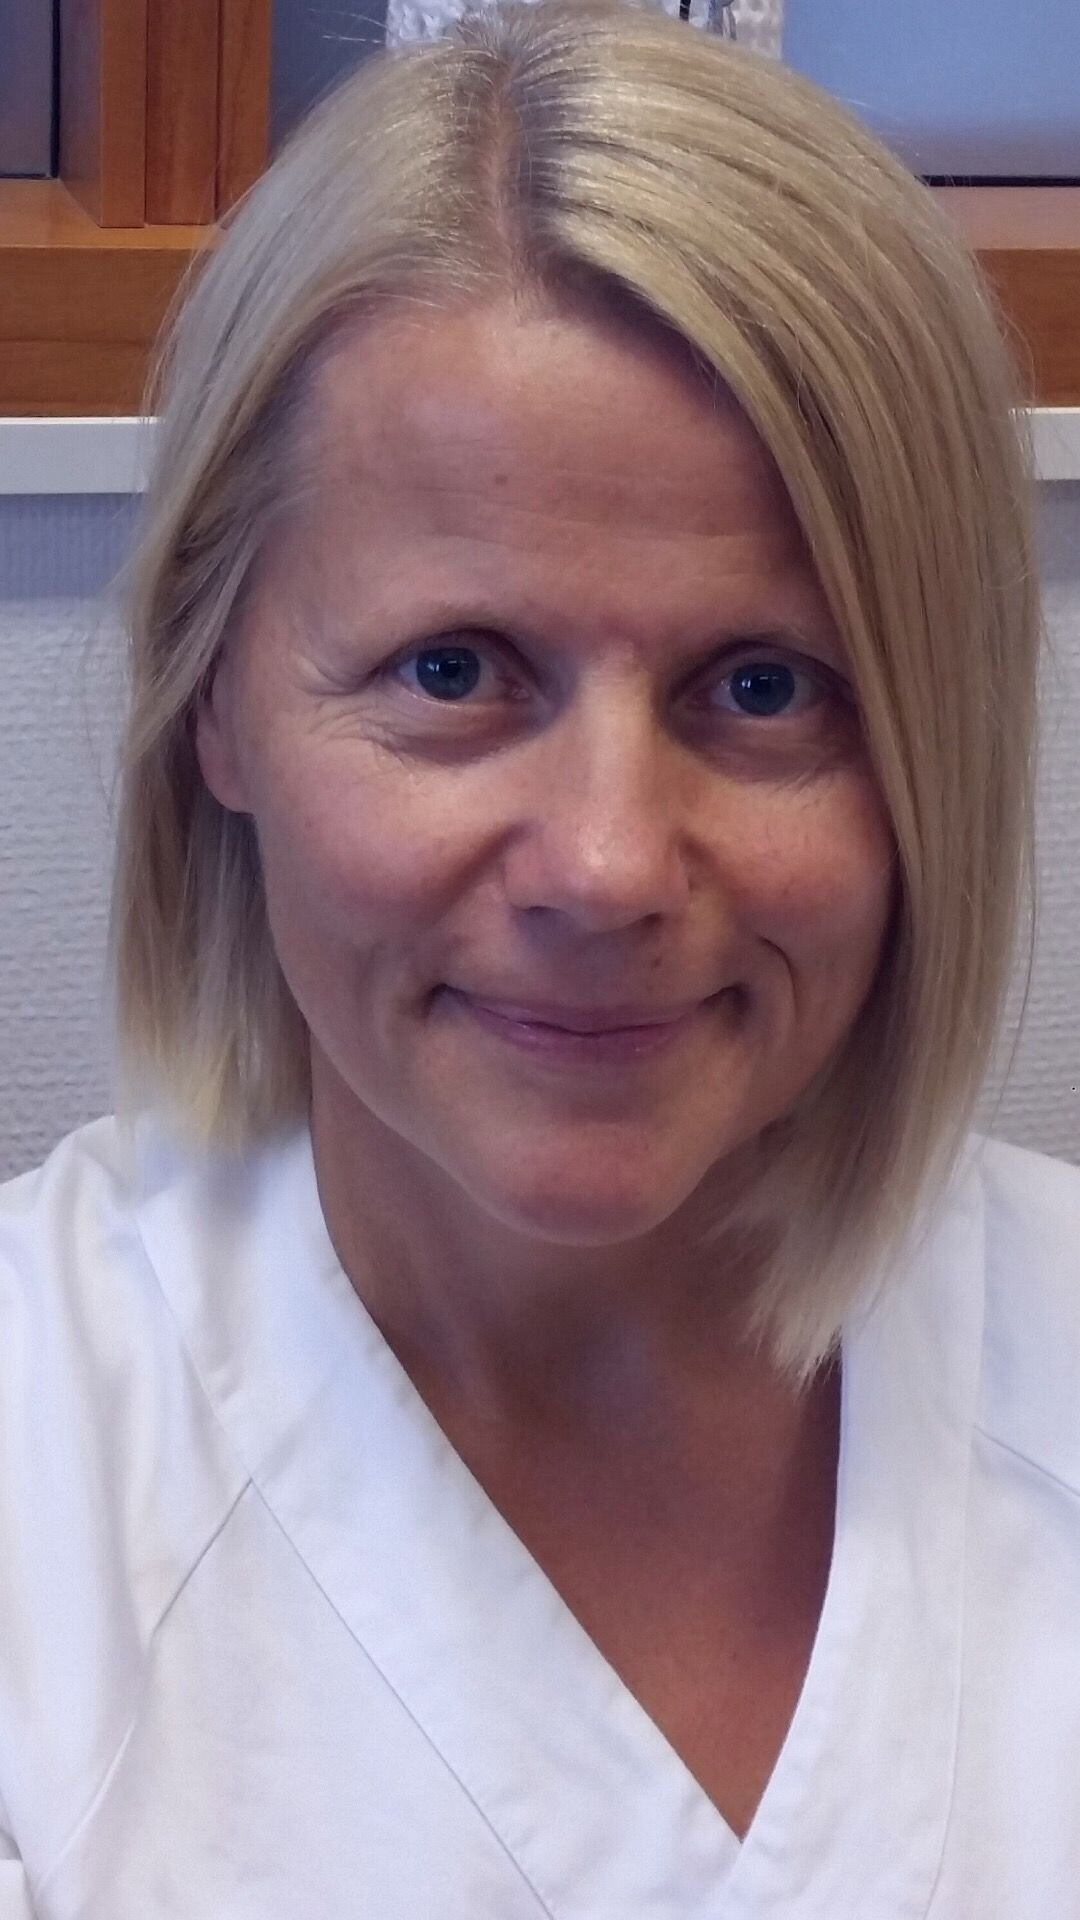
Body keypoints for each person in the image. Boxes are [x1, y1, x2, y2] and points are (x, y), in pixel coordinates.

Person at [0, 0, 1074, 1911]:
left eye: (765, 688)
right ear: (216, 707)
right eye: (453, 671)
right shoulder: (44, 1494)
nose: (607, 864)